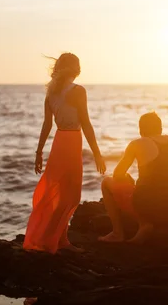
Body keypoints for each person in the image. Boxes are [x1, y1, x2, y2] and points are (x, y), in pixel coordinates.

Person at [23, 53, 106, 253]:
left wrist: (39, 152)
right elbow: (85, 123)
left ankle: (61, 240)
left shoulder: (51, 92)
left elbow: (47, 125)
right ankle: (52, 240)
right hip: (70, 141)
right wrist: (97, 153)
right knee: (71, 195)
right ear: (75, 69)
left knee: (61, 192)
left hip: (59, 142)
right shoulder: (78, 91)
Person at [99, 111, 168, 244]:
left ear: (141, 130)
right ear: (161, 128)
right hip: (167, 203)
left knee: (106, 182)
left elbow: (118, 174)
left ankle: (121, 232)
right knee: (151, 194)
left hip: (144, 203)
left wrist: (128, 178)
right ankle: (148, 222)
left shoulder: (137, 144)